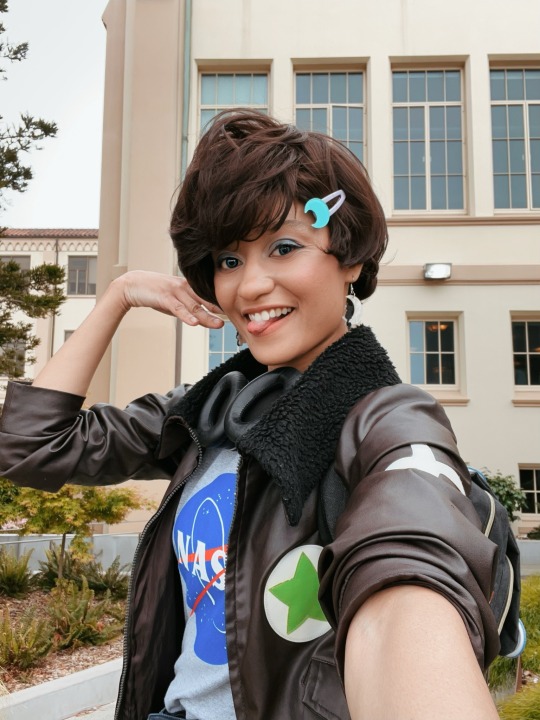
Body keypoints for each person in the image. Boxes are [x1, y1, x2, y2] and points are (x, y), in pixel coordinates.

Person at [0, 110, 500, 720]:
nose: (249, 286)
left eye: (283, 248)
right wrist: (119, 295)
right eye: (229, 260)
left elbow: (411, 565)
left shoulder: (387, 421)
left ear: (349, 259)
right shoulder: (210, 410)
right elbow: (31, 446)